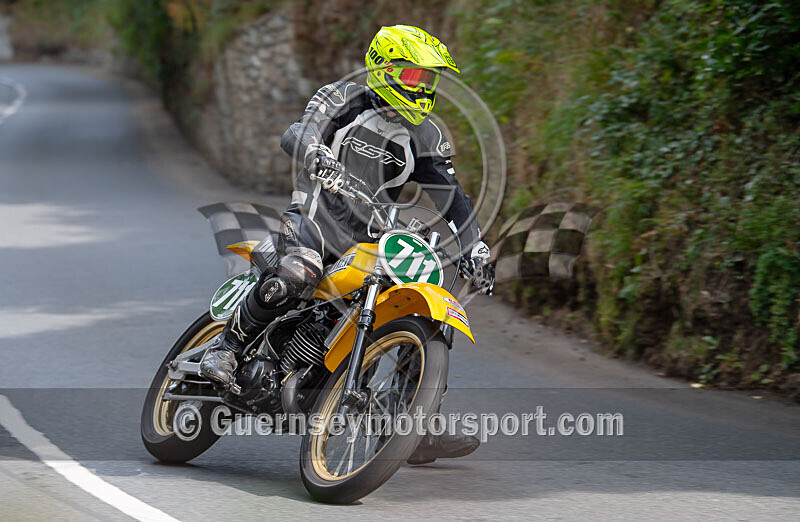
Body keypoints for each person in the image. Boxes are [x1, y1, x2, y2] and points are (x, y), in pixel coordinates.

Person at [201, 25, 495, 464]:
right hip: (314, 220)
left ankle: (411, 421)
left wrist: (475, 246)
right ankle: (226, 346)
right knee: (298, 271)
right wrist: (316, 154)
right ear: (385, 69)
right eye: (416, 76)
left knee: (423, 308)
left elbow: (454, 198)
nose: (424, 87)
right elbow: (297, 132)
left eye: (429, 79)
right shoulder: (342, 98)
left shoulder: (427, 136)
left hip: (370, 239)